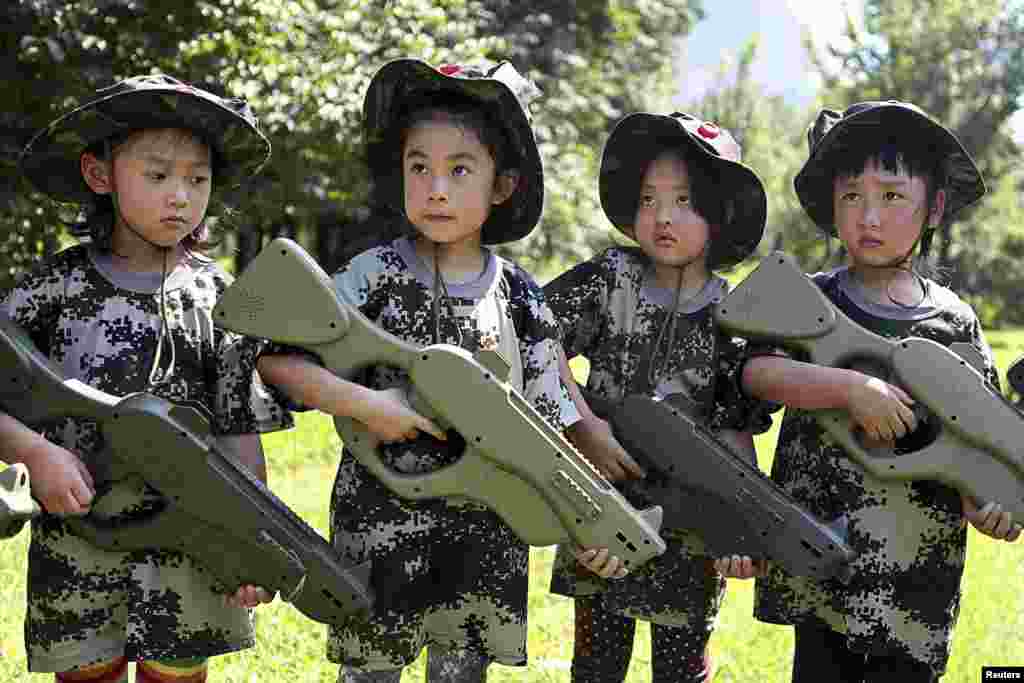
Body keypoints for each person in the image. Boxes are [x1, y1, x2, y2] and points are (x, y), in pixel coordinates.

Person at [256, 59, 617, 683]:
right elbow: (280, 362)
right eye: (418, 167)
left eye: (459, 169)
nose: (437, 188)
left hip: (485, 536)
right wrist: (371, 407)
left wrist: (588, 523)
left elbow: (555, 427)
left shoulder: (522, 300)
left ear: (501, 186)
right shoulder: (369, 277)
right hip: (378, 529)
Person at [2, 75, 293, 682]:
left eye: (197, 179)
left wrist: (251, 539)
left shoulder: (221, 298)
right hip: (79, 539)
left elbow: (240, 429)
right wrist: (35, 453)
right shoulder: (51, 291)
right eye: (157, 176)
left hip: (193, 546)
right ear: (100, 174)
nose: (181, 197)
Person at [743, 101, 1021, 683]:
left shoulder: (956, 323)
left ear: (934, 206)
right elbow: (758, 374)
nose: (869, 215)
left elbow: (981, 442)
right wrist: (847, 387)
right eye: (851, 197)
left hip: (917, 576)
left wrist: (988, 506)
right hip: (823, 561)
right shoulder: (809, 300)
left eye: (892, 196)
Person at [546, 111, 776, 683]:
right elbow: (535, 337)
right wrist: (581, 425)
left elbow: (734, 434)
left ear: (719, 215)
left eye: (683, 201)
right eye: (649, 200)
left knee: (682, 671)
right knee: (596, 668)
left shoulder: (734, 317)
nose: (663, 217)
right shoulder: (610, 280)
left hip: (690, 535)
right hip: (599, 512)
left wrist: (741, 527)